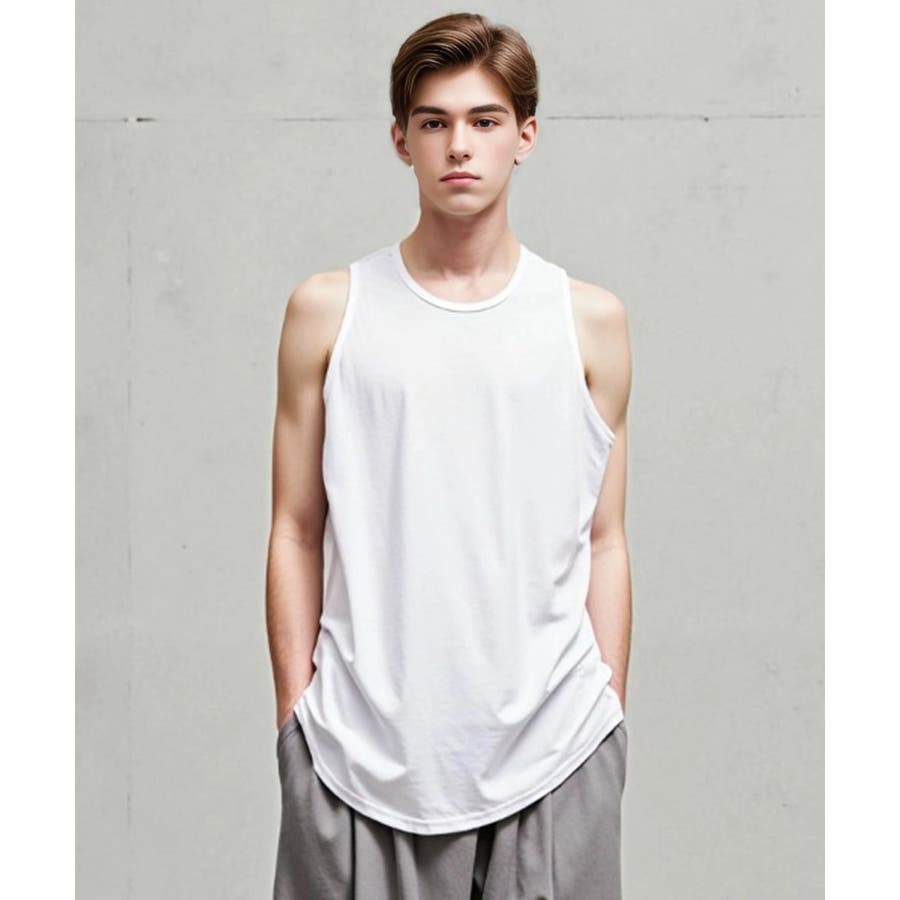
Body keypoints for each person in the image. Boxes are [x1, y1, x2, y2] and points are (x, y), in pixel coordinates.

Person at [266, 12, 633, 899]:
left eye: (484, 120)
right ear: (401, 140)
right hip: (356, 755)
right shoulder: (329, 310)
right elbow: (294, 528)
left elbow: (605, 538)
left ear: (525, 136)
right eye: (434, 122)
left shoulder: (589, 321)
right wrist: (295, 719)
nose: (458, 145)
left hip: (556, 752)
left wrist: (608, 712)